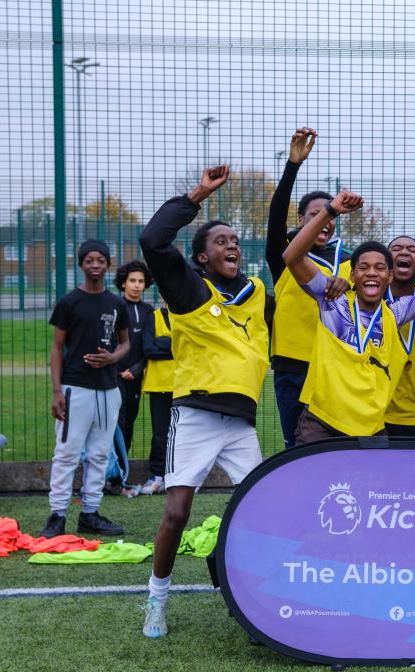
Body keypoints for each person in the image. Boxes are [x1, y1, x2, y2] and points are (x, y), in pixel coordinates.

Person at [139, 165, 271, 638]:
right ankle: (156, 599)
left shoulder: (256, 295)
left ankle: (261, 593)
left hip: (240, 424)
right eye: (220, 241)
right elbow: (152, 241)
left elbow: (290, 260)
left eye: (235, 240)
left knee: (264, 508)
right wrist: (197, 195)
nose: (231, 245)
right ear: (199, 257)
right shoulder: (190, 292)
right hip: (194, 415)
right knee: (176, 512)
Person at [284, 190, 415, 441]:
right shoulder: (332, 302)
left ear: (389, 277)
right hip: (323, 421)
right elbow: (292, 257)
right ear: (353, 275)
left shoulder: (396, 312)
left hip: (370, 427)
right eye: (363, 268)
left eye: (380, 268)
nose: (372, 273)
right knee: (312, 480)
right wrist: (330, 211)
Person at [266, 128, 352, 447]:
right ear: (302, 219)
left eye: (330, 215)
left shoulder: (350, 259)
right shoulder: (284, 254)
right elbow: (276, 218)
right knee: (295, 446)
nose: (325, 222)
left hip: (335, 364)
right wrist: (293, 166)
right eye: (315, 215)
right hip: (293, 365)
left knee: (332, 446)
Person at [40, 239, 130, 539]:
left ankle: (90, 514)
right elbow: (56, 349)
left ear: (107, 264)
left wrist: (112, 357)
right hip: (74, 388)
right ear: (81, 264)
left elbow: (125, 343)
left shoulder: (116, 303)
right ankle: (57, 515)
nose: (95, 265)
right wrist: (56, 391)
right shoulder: (69, 302)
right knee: (66, 453)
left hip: (108, 390)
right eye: (89, 260)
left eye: (100, 260)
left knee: (99, 454)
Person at [384, 235, 415, 436]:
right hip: (375, 411)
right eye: (396, 248)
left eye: (412, 250)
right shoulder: (369, 297)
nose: (404, 252)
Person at [113, 259, 155, 479]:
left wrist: (137, 369)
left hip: (135, 376)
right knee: (115, 425)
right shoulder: (114, 306)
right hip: (114, 376)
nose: (137, 285)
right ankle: (113, 474)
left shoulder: (149, 311)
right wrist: (117, 369)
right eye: (132, 281)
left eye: (141, 281)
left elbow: (149, 346)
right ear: (123, 283)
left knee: (129, 424)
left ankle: (122, 474)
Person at [137, 302, 175, 496]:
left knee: (182, 436)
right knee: (160, 434)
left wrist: (163, 342)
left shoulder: (186, 316)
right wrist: (173, 344)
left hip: (183, 386)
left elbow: (191, 347)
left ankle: (177, 477)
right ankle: (156, 476)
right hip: (159, 385)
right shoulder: (154, 317)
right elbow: (149, 349)